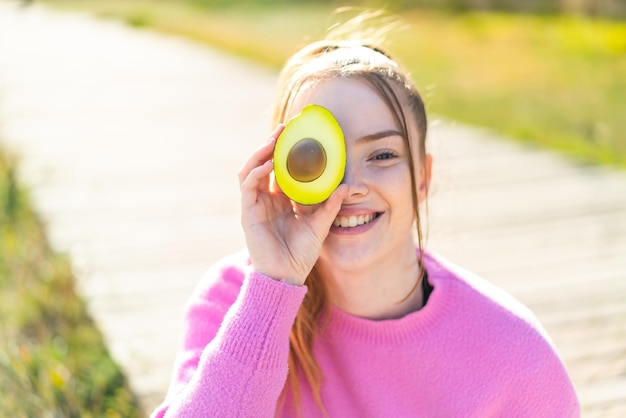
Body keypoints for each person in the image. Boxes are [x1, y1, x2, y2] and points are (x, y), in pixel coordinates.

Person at [151, 13, 580, 418]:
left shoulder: (516, 358)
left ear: (423, 178)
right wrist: (273, 287)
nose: (350, 185)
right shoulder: (234, 301)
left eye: (382, 154)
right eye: (315, 158)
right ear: (279, 173)